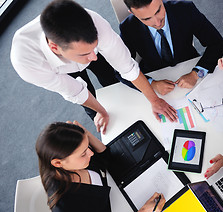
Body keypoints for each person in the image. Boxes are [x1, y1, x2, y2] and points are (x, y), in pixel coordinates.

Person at [10, 0, 177, 135]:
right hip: (57, 70)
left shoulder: (95, 23)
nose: (93, 58)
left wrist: (154, 100)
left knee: (112, 80)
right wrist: (101, 111)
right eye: (85, 54)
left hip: (78, 47)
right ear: (55, 48)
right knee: (96, 109)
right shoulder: (27, 63)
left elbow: (127, 67)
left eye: (94, 48)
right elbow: (75, 91)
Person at [36, 120, 165, 212]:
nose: (91, 153)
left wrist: (85, 134)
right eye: (83, 153)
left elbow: (105, 158)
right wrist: (144, 211)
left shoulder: (78, 160)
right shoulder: (67, 211)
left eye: (88, 147)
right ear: (58, 163)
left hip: (118, 194)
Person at [119, 0, 223, 95]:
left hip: (189, 64)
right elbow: (120, 70)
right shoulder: (128, 27)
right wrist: (151, 84)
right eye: (147, 19)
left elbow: (217, 44)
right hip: (155, 73)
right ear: (132, 13)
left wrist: (196, 73)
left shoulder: (185, 9)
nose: (157, 22)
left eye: (158, 11)